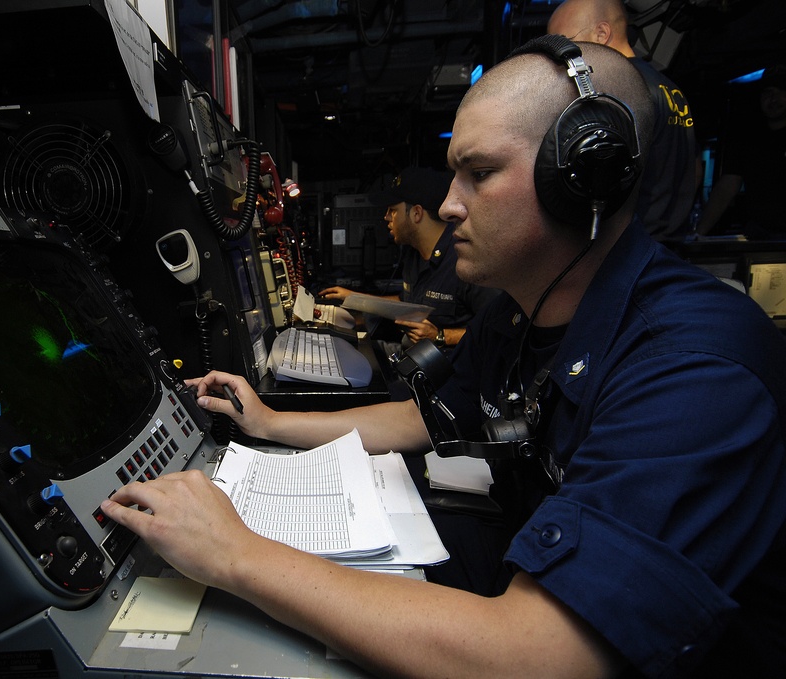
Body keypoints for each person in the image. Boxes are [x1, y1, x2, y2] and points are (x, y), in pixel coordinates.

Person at [101, 40, 786, 677]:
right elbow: (422, 419)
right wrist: (269, 422)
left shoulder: (694, 365)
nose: (449, 206)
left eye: (480, 173)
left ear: (583, 178)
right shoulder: (514, 313)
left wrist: (235, 554)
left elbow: (540, 655)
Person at [547, 0, 697, 240]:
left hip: (634, 247)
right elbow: (694, 167)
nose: (559, 57)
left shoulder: (619, 89)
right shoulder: (669, 88)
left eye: (566, 42)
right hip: (673, 243)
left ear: (602, 34)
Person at [319, 166, 497, 348]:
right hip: (409, 356)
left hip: (444, 369)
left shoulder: (467, 260)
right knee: (341, 346)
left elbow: (498, 330)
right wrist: (354, 298)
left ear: (416, 213)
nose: (386, 217)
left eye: (393, 210)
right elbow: (405, 303)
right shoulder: (414, 255)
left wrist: (441, 336)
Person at [697, 64, 786, 239]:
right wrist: (699, 233)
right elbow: (727, 186)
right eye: (767, 92)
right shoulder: (749, 139)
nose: (772, 98)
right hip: (760, 234)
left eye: (780, 91)